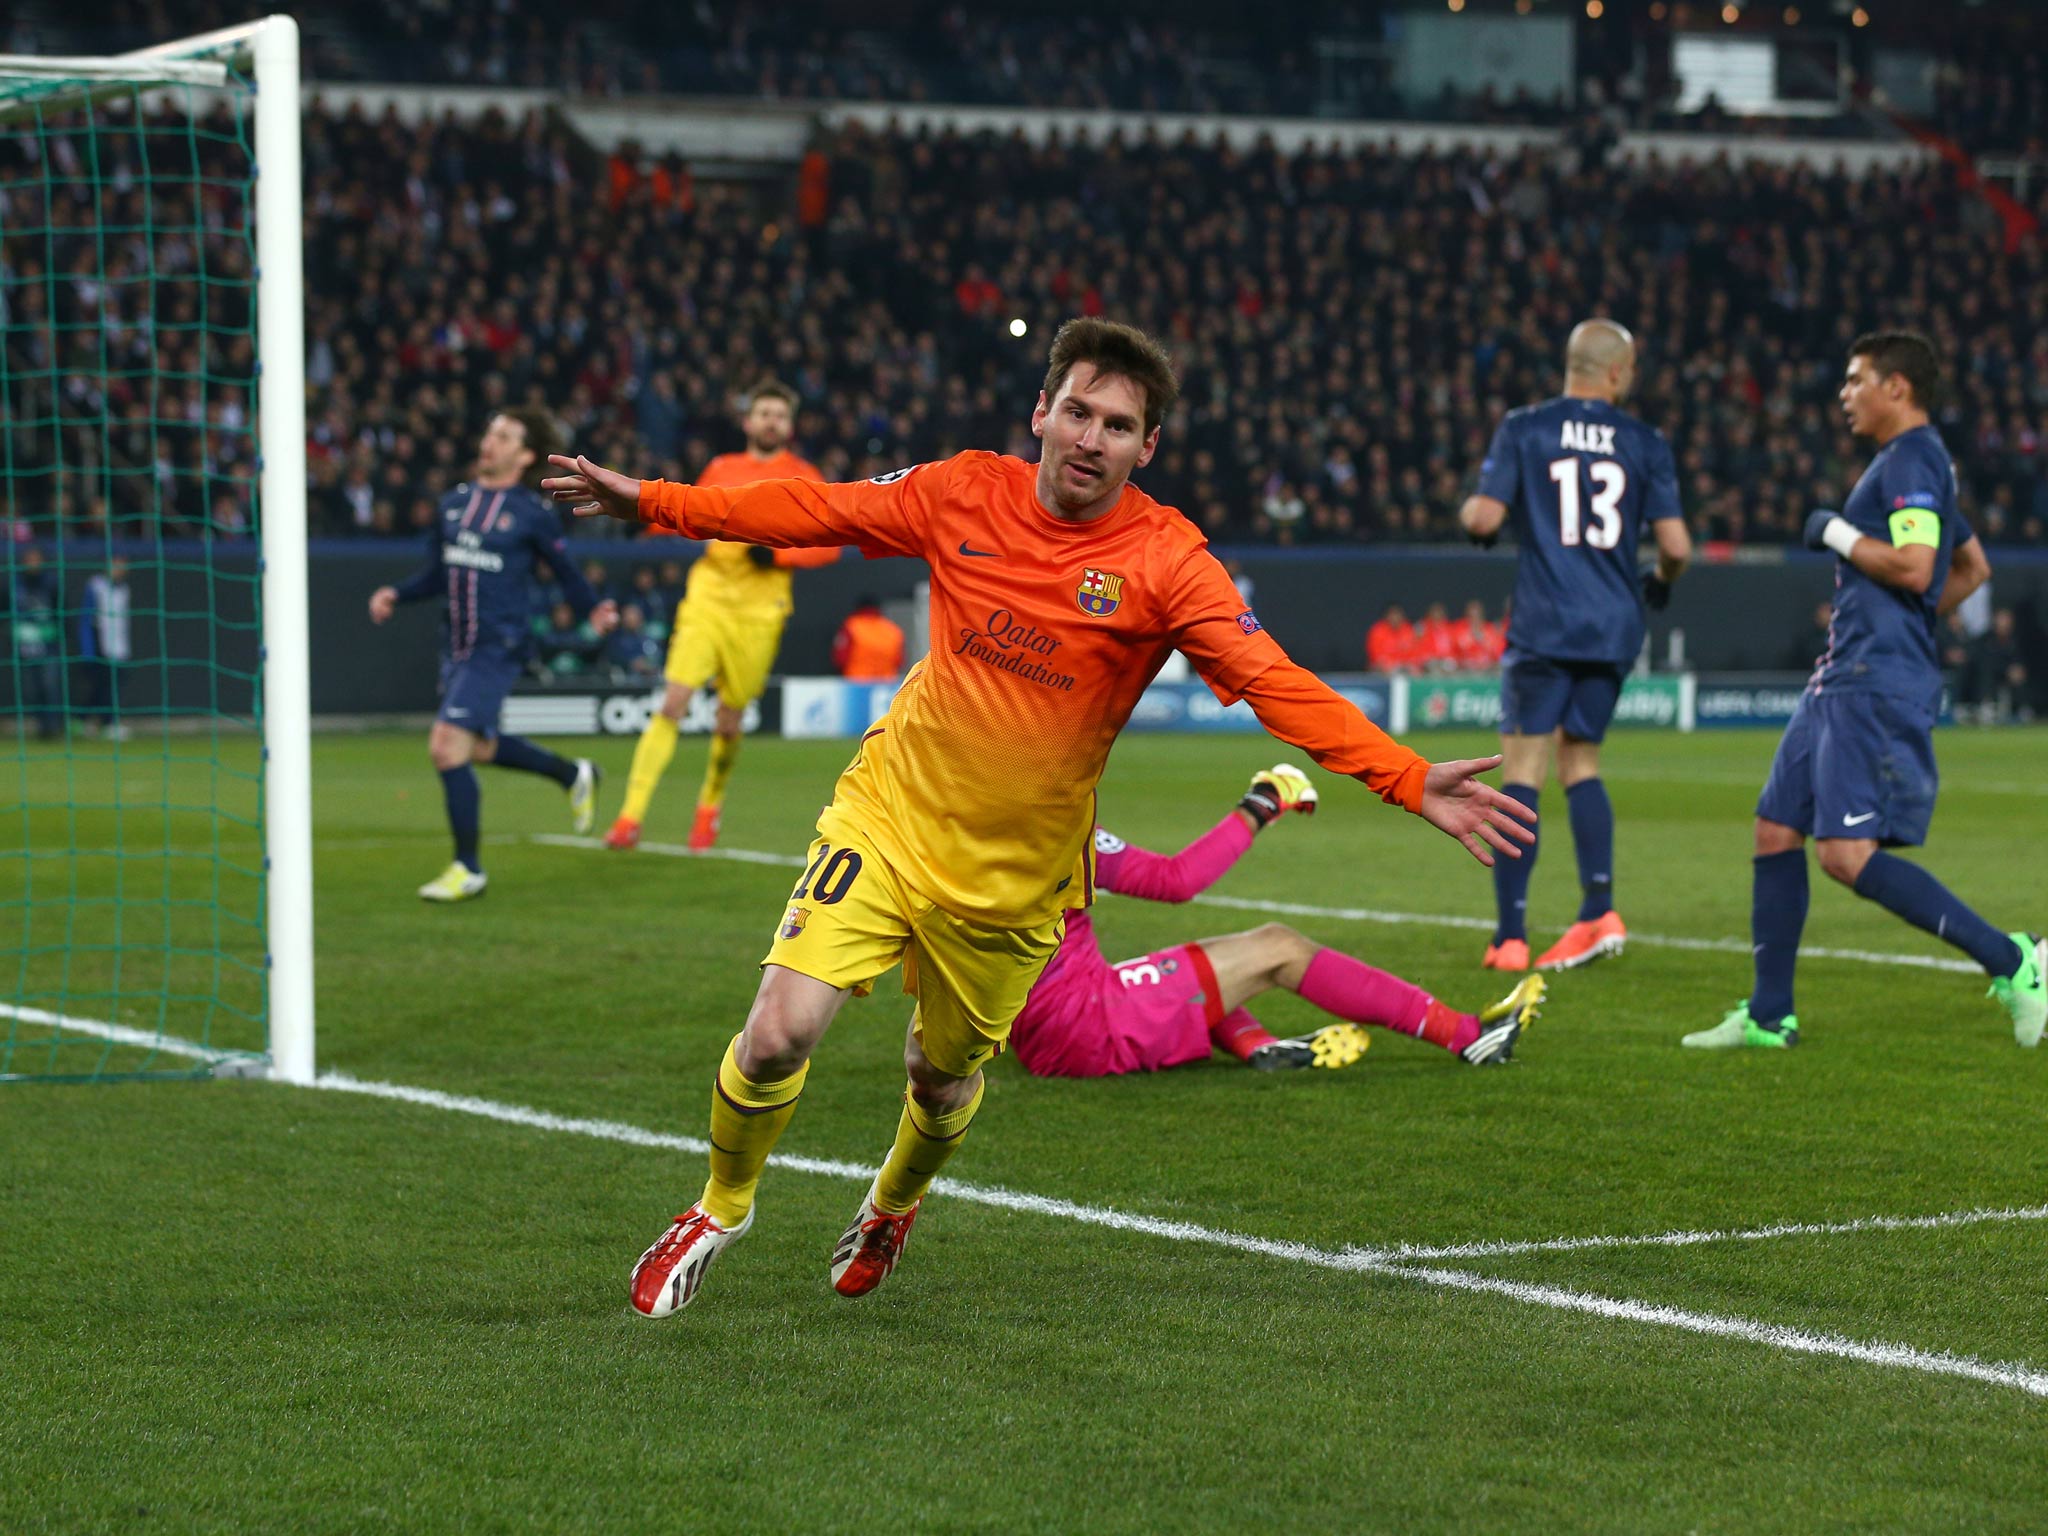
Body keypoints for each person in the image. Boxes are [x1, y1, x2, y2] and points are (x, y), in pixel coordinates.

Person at [544, 317, 1535, 1317]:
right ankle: (721, 1205)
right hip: (889, 818)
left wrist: (1403, 776)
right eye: (1076, 412)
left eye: (1115, 425)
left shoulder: (1164, 559)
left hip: (1018, 881)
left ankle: (893, 1200)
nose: (1089, 438)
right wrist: (654, 505)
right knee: (775, 1034)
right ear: (1042, 413)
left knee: (936, 1080)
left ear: (1145, 447)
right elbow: (810, 507)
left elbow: (1269, 680)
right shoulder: (960, 489)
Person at [1683, 331, 2044, 1051]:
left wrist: (1838, 534)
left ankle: (2017, 961)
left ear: (1897, 388)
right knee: (1774, 830)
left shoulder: (1911, 458)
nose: (1844, 394)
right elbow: (1969, 567)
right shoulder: (1915, 464)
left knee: (1845, 855)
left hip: (1871, 681)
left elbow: (1917, 568)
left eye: (1856, 381)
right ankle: (1767, 1015)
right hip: (1841, 675)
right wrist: (1909, 621)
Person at [1010, 764, 1547, 1078]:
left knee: (1198, 969)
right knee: (1277, 945)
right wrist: (1262, 803)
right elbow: (1175, 880)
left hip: (1023, 1027)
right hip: (1083, 1020)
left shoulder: (961, 829)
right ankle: (1467, 1035)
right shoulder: (1057, 827)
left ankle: (1257, 1046)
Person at [1459, 319, 1693, 972]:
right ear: (1618, 372)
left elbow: (1483, 518)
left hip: (1544, 622)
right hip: (1615, 623)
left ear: (1572, 365)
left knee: (1523, 773)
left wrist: (1475, 522)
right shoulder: (1645, 441)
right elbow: (1676, 548)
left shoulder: (1526, 427)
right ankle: (1599, 910)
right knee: (1582, 764)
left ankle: (1510, 937)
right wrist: (1661, 581)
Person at [369, 409, 617, 903]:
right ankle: (572, 774)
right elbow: (439, 573)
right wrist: (397, 594)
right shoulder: (454, 503)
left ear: (524, 455)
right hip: (456, 647)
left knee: (445, 745)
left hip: (498, 645)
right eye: (490, 431)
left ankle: (468, 868)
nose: (490, 441)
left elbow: (564, 570)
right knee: (473, 748)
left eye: (504, 436)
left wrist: (593, 610)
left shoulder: (530, 513)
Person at [606, 379, 838, 852]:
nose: (770, 421)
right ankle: (629, 818)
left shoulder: (805, 475)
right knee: (672, 701)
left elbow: (831, 544)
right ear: (748, 421)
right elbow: (692, 511)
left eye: (779, 415)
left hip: (760, 609)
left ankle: (708, 808)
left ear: (789, 426)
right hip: (708, 596)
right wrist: (644, 518)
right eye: (764, 413)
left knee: (729, 721)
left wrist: (780, 558)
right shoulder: (722, 467)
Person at [8, 547, 62, 740]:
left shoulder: (51, 582)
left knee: (50, 685)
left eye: (36, 558)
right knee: (31, 690)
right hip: (24, 647)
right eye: (29, 558)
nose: (32, 562)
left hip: (48, 645)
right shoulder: (15, 584)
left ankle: (53, 726)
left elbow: (61, 611)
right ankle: (41, 726)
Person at [78, 556, 131, 740]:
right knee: (101, 687)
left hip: (119, 646)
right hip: (100, 645)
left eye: (122, 566)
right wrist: (88, 649)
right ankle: (104, 722)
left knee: (113, 686)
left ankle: (90, 720)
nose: (119, 570)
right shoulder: (96, 585)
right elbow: (86, 618)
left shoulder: (124, 589)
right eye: (116, 566)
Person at [832, 595, 906, 682]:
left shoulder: (851, 626)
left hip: (857, 683)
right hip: (886, 684)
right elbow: (899, 660)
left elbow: (841, 658)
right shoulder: (892, 629)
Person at [1365, 602, 1416, 673]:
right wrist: (1391, 665)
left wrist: (1408, 665)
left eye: (1398, 614)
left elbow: (1414, 652)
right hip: (1384, 668)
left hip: (1404, 667)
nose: (1395, 617)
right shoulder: (1378, 630)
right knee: (1380, 667)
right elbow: (1376, 656)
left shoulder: (1408, 629)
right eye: (1392, 615)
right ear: (1386, 616)